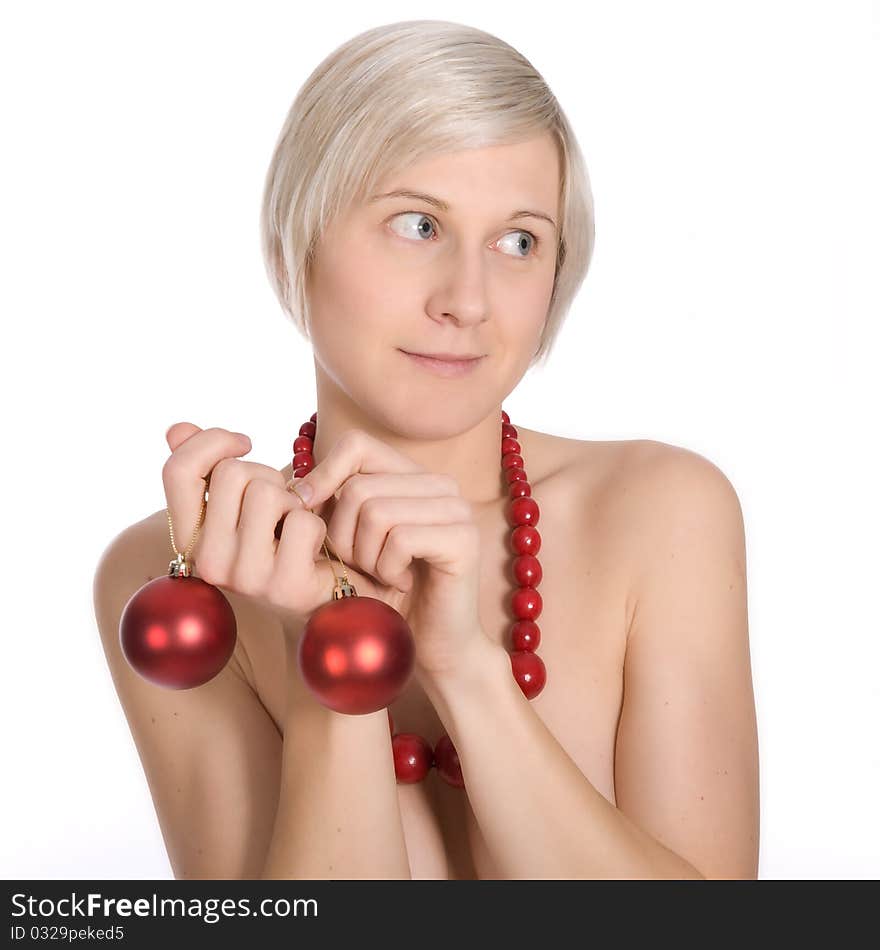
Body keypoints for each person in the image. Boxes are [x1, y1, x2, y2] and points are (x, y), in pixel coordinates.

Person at [93, 19, 759, 880]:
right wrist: (329, 649)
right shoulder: (178, 575)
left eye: (519, 240)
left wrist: (464, 667)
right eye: (418, 225)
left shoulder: (663, 512)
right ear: (300, 242)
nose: (468, 300)